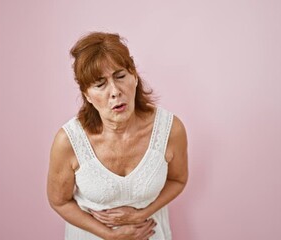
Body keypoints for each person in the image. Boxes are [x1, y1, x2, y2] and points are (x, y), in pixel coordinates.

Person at [47, 32, 188, 240]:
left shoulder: (170, 129)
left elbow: (178, 179)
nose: (114, 91)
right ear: (87, 95)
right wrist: (109, 235)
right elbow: (59, 201)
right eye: (100, 84)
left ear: (135, 77)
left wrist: (142, 214)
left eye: (120, 76)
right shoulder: (68, 141)